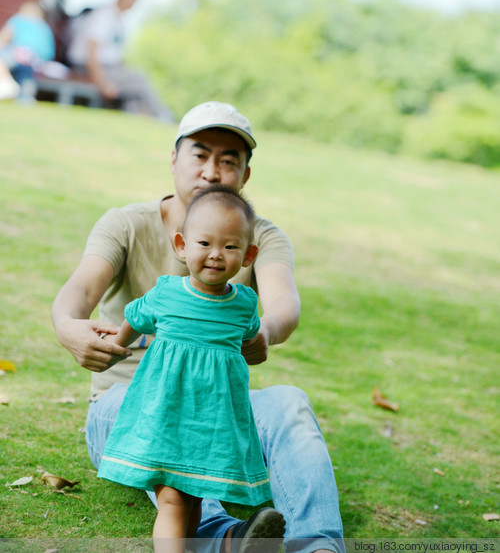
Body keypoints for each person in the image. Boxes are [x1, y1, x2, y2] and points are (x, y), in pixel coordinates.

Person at [52, 101, 344, 553]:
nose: (212, 170)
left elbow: (284, 302)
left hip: (216, 403)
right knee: (175, 446)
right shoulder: (127, 222)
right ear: (174, 159)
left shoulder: (257, 236)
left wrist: (265, 330)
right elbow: (79, 291)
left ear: (245, 175)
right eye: (200, 154)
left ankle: (317, 547)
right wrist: (66, 326)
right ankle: (227, 539)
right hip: (125, 404)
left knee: (289, 401)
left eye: (229, 160)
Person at [97, 185, 285, 552]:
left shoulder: (245, 304)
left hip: (212, 420)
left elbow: (249, 342)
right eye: (205, 243)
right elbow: (134, 316)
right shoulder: (166, 292)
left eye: (230, 247)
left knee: (196, 493)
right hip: (165, 411)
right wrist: (119, 343)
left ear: (248, 255)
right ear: (182, 246)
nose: (216, 255)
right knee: (170, 497)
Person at [66, 0, 173, 121]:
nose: (134, 2)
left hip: (109, 68)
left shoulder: (120, 20)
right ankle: (164, 117)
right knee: (139, 79)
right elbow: (91, 52)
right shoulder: (104, 16)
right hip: (85, 67)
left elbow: (114, 55)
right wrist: (102, 83)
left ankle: (134, 123)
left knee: (132, 96)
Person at [0, 0, 55, 101]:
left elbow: (4, 37)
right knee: (26, 77)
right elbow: (49, 51)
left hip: (20, 53)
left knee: (2, 60)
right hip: (37, 60)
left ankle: (6, 82)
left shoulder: (19, 20)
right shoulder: (45, 27)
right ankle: (26, 97)